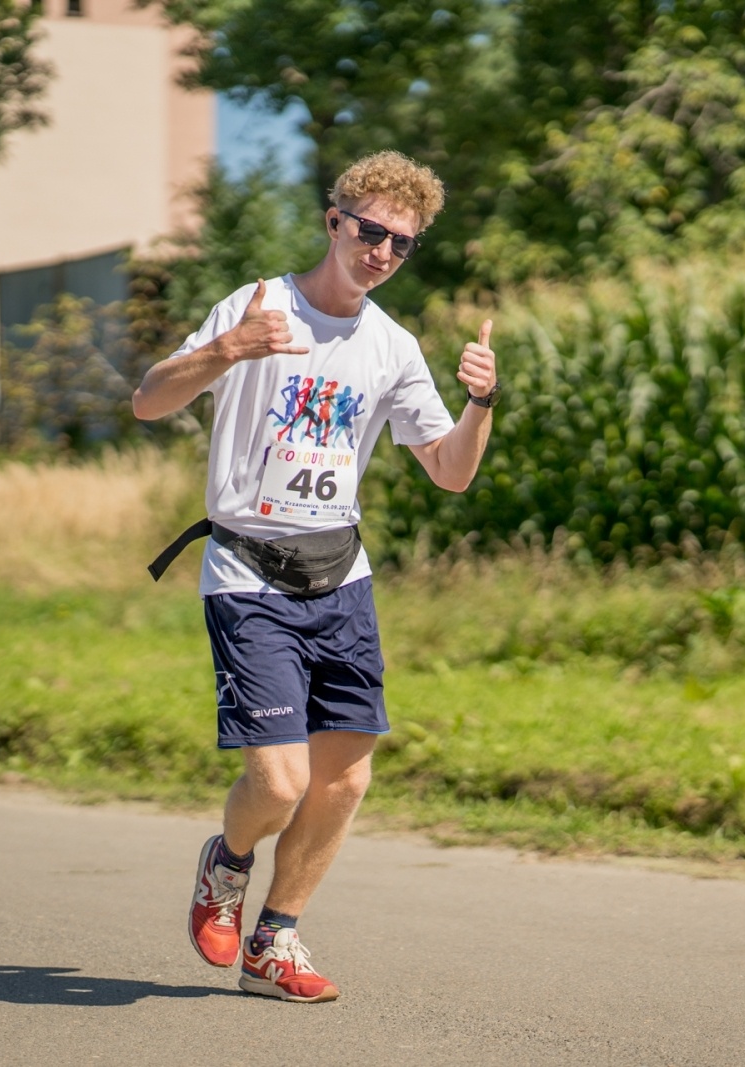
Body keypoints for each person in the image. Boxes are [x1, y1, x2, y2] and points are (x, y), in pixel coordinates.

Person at [131, 151, 500, 1003]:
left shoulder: (393, 346)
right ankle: (225, 864)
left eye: (400, 244)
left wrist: (481, 404)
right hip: (247, 570)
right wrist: (227, 349)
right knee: (279, 782)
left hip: (341, 575)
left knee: (345, 776)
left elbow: (448, 470)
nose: (380, 251)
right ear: (335, 221)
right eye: (369, 230)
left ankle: (275, 938)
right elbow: (149, 401)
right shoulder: (258, 305)